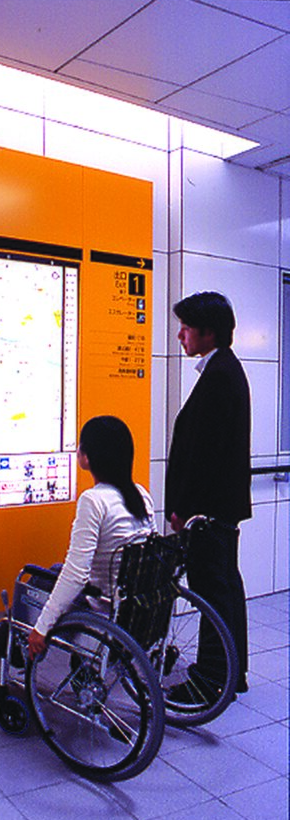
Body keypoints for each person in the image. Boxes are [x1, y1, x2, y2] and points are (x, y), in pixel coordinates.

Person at [165, 291, 251, 698]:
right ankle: (233, 673)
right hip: (219, 508)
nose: (180, 335)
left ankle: (210, 681)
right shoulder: (223, 371)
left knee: (212, 593)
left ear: (208, 332)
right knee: (226, 587)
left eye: (186, 327)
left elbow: (204, 455)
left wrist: (184, 508)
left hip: (208, 512)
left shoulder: (219, 377)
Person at [27, 416, 157, 660]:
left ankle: (15, 649)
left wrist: (41, 627)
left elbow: (76, 575)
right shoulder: (140, 494)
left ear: (87, 457)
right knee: (55, 570)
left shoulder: (93, 501)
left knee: (32, 581)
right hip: (134, 602)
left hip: (103, 603)